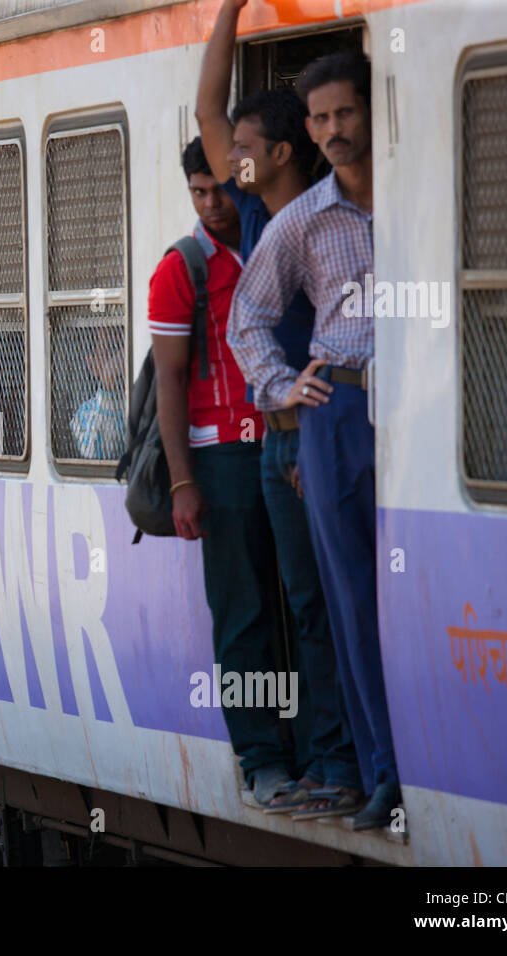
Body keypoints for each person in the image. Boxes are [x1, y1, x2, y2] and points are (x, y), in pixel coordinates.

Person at [197, 0, 362, 819]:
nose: (233, 163)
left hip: (311, 438)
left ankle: (338, 762)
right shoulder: (268, 215)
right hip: (280, 439)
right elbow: (207, 110)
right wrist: (228, 11)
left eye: (248, 153)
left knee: (323, 602)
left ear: (282, 153)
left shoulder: (305, 217)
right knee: (302, 602)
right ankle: (327, 759)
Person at [228, 50, 401, 831]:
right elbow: (247, 319)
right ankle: (382, 776)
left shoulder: (415, 194)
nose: (334, 130)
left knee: (415, 596)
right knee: (352, 601)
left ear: (373, 110)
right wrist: (283, 389)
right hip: (337, 415)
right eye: (321, 118)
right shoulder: (303, 219)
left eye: (345, 114)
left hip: (423, 414)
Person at [151, 138, 294, 806]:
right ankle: (260, 756)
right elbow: (170, 381)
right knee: (243, 614)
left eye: (220, 191)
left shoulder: (275, 240)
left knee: (302, 603)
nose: (211, 205)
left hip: (287, 445)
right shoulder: (181, 267)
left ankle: (318, 750)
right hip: (221, 458)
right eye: (198, 193)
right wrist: (183, 482)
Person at [70, 337, 125, 459]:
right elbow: (95, 453)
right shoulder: (83, 414)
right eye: (112, 348)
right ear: (91, 364)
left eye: (122, 347)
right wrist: (109, 376)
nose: (118, 357)